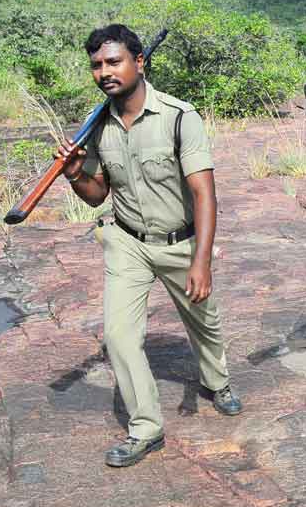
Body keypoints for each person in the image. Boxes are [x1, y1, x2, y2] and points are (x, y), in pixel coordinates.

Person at [56, 24, 242, 467]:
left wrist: (201, 261)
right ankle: (146, 427)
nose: (104, 72)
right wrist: (75, 174)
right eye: (97, 65)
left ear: (139, 63)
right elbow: (98, 194)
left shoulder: (180, 117)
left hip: (180, 240)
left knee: (204, 322)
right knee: (119, 337)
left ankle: (217, 381)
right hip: (127, 241)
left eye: (113, 61)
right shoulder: (98, 125)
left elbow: (204, 194)